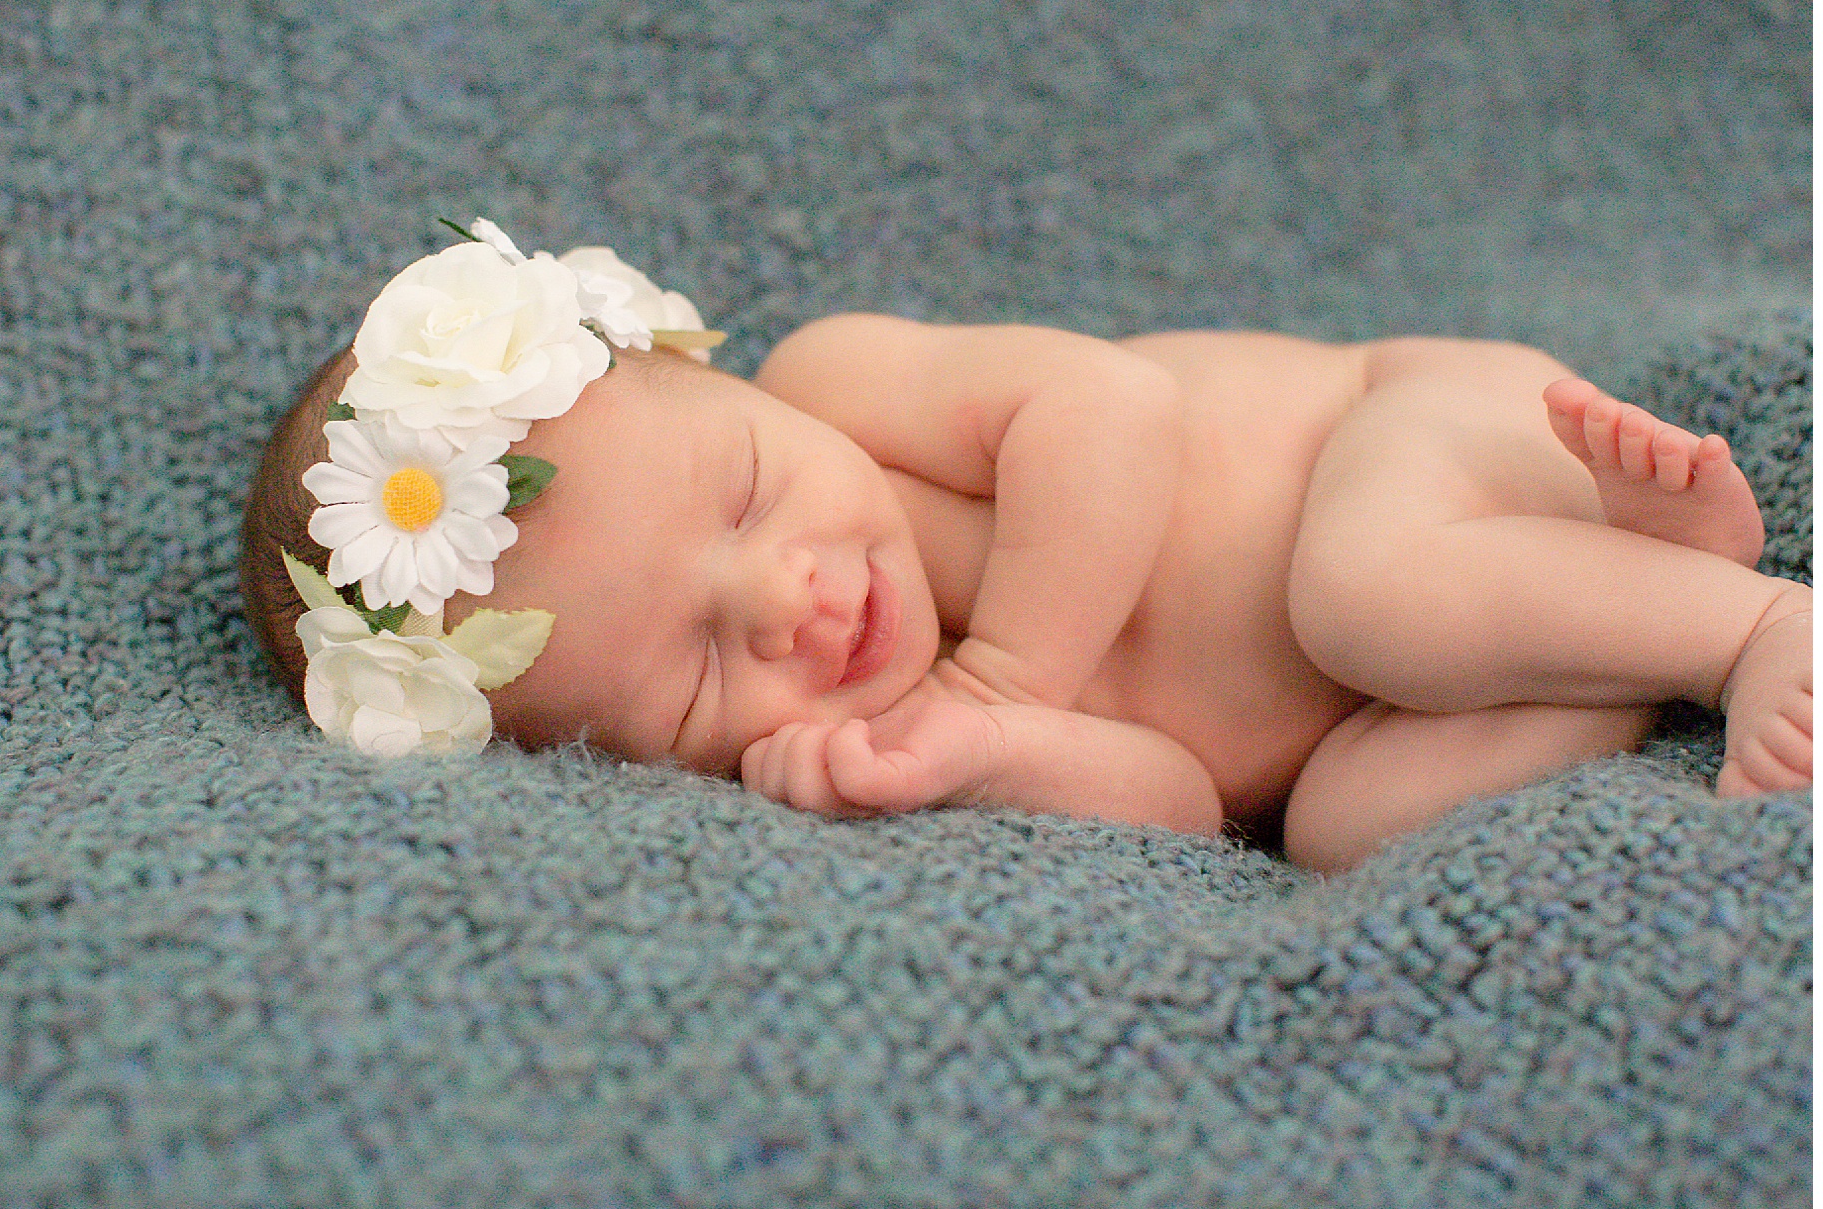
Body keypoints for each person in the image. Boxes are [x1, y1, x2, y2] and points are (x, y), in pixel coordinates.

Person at [241, 222, 1812, 872]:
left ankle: (1742, 629)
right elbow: (1187, 808)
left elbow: (1111, 409)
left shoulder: (845, 383)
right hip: (1397, 701)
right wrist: (966, 762)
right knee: (1344, 831)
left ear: (727, 389)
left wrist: (1006, 676)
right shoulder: (860, 738)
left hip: (1410, 442)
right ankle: (1636, 597)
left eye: (740, 495)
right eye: (695, 673)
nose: (779, 602)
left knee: (1362, 593)